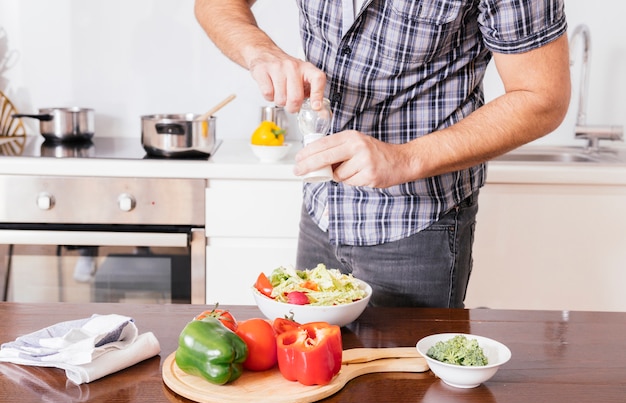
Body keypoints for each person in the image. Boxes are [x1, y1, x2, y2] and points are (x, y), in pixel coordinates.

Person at [194, 0, 571, 308]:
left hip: (418, 222)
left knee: (404, 395)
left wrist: (405, 158)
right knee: (314, 382)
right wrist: (261, 52)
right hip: (322, 209)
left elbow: (543, 97)